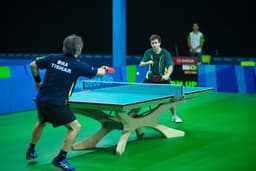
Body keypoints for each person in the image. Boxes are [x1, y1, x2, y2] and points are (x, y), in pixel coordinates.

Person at [26, 34, 111, 171]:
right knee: (75, 127)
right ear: (79, 50)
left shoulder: (52, 57)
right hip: (56, 104)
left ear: (63, 47)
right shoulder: (78, 65)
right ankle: (61, 159)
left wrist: (38, 82)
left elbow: (33, 65)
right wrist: (105, 69)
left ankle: (31, 150)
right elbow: (100, 73)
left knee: (41, 122)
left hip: (41, 100)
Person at [129, 34, 182, 132]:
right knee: (139, 96)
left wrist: (167, 75)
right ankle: (133, 114)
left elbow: (170, 66)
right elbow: (141, 65)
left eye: (156, 43)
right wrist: (148, 62)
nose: (154, 45)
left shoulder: (165, 53)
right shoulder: (148, 52)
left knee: (172, 97)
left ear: (159, 43)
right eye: (152, 43)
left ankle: (174, 116)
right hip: (150, 78)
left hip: (163, 78)